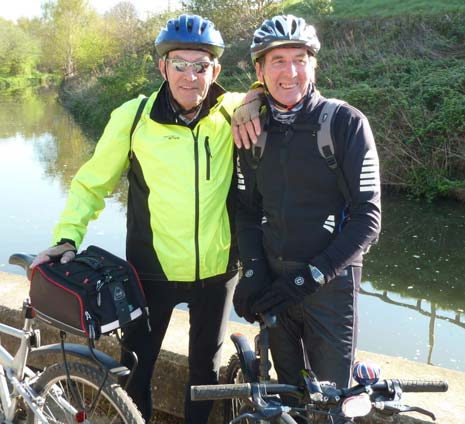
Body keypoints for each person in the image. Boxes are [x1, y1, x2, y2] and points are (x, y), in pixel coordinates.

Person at [31, 14, 253, 424]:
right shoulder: (134, 118)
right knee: (137, 369)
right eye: (180, 64)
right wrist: (67, 236)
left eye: (201, 66)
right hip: (151, 269)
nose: (191, 76)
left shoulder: (232, 112)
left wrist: (255, 96)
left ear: (216, 70)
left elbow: (275, 89)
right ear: (162, 67)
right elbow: (91, 183)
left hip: (218, 270)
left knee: (205, 374)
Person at [232, 14, 382, 418]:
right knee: (289, 400)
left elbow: (368, 219)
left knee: (331, 404)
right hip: (276, 282)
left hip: (329, 287)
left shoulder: (345, 123)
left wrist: (309, 277)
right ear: (259, 71)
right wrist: (253, 271)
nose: (290, 71)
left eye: (300, 58)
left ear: (314, 64)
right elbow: (245, 210)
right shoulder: (252, 128)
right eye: (277, 60)